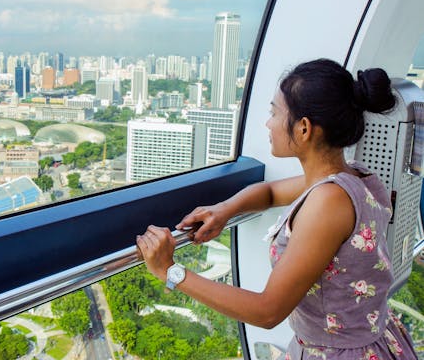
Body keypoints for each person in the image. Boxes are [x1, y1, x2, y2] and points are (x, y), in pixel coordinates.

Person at [136, 59, 418, 359]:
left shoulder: (329, 202)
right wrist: (224, 210)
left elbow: (267, 311)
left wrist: (170, 270)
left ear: (304, 128)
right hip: (372, 341)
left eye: (274, 113)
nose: (268, 123)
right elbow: (270, 193)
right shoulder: (354, 177)